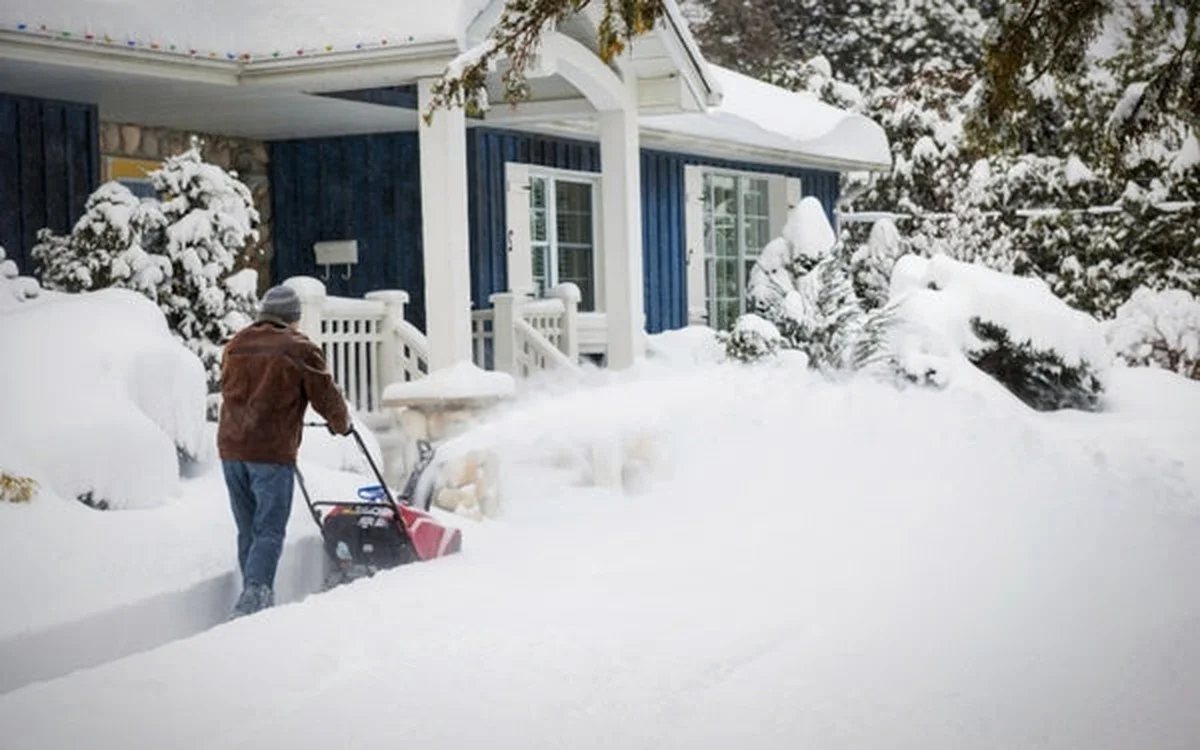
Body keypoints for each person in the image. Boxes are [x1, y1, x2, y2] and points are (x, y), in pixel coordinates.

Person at [217, 284, 351, 618]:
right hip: (270, 451)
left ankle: (253, 595)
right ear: (293, 318)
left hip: (231, 450)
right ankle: (254, 603)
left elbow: (229, 389)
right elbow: (326, 395)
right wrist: (341, 423)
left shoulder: (236, 345)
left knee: (248, 529)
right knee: (269, 530)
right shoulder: (299, 348)